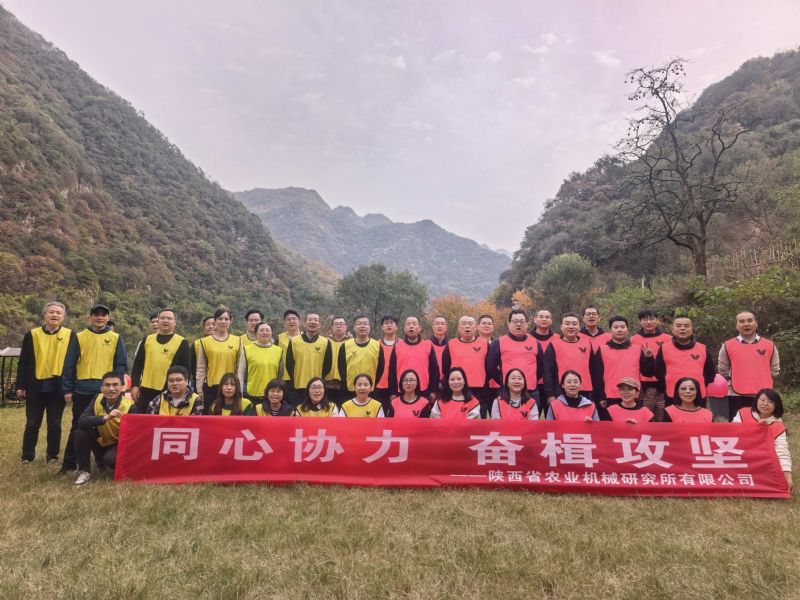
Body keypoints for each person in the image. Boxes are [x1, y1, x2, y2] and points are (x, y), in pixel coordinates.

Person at [60, 303, 127, 474]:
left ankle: (101, 460)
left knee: (105, 426)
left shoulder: (115, 337)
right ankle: (69, 464)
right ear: (90, 317)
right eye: (96, 314)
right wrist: (67, 389)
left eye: (103, 315)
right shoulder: (79, 336)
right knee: (78, 426)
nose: (100, 317)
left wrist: (118, 387)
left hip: (107, 390)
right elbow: (69, 364)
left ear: (108, 318)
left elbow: (120, 365)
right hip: (82, 389)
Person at [17, 301, 75, 464]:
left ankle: (52, 456)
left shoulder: (70, 335)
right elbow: (23, 362)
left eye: (58, 313)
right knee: (32, 423)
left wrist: (70, 388)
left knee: (55, 424)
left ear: (63, 317)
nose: (55, 315)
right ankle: (27, 456)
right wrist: (20, 385)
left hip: (58, 388)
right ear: (45, 315)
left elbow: (73, 364)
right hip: (35, 386)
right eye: (51, 312)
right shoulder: (32, 334)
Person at [73, 372, 135, 486]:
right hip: (102, 439)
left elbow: (134, 436)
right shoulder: (97, 398)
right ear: (101, 388)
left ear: (122, 387)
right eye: (107, 385)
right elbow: (82, 421)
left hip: (118, 444)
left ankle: (105, 462)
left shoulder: (130, 406)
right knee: (81, 432)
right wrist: (105, 418)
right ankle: (84, 471)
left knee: (111, 460)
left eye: (115, 385)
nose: (111, 389)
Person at [718, 311, 780, 422]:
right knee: (738, 427)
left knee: (763, 426)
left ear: (756, 323)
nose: (746, 324)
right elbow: (723, 370)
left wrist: (759, 378)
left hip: (764, 396)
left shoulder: (769, 345)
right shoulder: (728, 345)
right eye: (741, 321)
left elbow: (774, 370)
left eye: (749, 320)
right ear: (737, 326)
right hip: (735, 395)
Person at [590, 316, 654, 419]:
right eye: (616, 327)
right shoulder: (602, 350)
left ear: (627, 330)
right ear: (610, 330)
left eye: (622, 327)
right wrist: (600, 396)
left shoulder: (637, 349)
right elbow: (597, 376)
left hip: (633, 396)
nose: (619, 330)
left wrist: (649, 358)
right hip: (610, 396)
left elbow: (648, 373)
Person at [130, 307, 191, 414]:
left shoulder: (182, 342)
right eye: (162, 318)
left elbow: (186, 370)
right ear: (157, 321)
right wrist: (134, 385)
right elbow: (138, 364)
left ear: (175, 322)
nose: (165, 321)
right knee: (144, 419)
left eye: (169, 318)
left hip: (169, 390)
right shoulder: (147, 340)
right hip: (145, 389)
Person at [732, 388, 792, 491]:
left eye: (770, 402)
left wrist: (787, 476)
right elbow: (732, 435)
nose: (765, 404)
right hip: (740, 455)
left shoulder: (778, 426)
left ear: (776, 406)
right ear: (757, 400)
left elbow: (782, 452)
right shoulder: (743, 413)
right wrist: (755, 428)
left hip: (762, 461)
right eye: (763, 400)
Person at [486, 309, 543, 414]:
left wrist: (531, 379)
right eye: (515, 321)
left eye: (521, 321)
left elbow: (540, 368)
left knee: (532, 423)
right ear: (508, 324)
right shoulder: (498, 343)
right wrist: (503, 381)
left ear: (526, 324)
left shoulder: (535, 343)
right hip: (507, 392)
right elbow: (490, 367)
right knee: (506, 423)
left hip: (531, 392)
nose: (518, 324)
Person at [654, 316, 716, 407]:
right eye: (678, 326)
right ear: (673, 329)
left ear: (692, 329)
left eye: (686, 326)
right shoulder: (664, 348)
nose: (682, 328)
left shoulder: (702, 348)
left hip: (698, 397)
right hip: (672, 396)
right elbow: (658, 372)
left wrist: (697, 386)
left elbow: (710, 374)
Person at [196, 308, 243, 414]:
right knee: (210, 418)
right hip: (211, 387)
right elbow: (201, 368)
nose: (223, 321)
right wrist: (199, 390)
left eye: (226, 319)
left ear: (230, 321)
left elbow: (240, 368)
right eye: (220, 319)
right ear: (215, 321)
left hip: (230, 387)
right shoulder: (204, 342)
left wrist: (239, 388)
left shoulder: (237, 341)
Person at [543, 312, 594, 405]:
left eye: (574, 324)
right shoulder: (553, 346)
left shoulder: (587, 343)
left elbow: (594, 370)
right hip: (561, 392)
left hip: (585, 392)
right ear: (561, 327)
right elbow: (547, 372)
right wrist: (550, 394)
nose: (571, 327)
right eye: (567, 324)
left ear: (579, 327)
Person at [630, 307, 671, 422]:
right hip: (643, 388)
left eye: (652, 319)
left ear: (657, 320)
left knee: (663, 419)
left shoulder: (668, 339)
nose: (648, 322)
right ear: (640, 321)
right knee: (645, 419)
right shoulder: (633, 340)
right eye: (644, 319)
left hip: (664, 387)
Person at [285, 312, 333, 408]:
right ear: (304, 323)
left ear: (319, 324)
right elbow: (289, 364)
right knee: (298, 413)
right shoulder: (294, 341)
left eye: (316, 320)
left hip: (317, 388)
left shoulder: (325, 342)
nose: (313, 322)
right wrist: (295, 378)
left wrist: (319, 378)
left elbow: (328, 364)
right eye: (310, 320)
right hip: (298, 386)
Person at [388, 316, 439, 398]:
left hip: (423, 391)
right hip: (402, 391)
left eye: (414, 324)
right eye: (408, 324)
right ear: (404, 329)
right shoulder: (397, 346)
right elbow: (391, 371)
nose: (411, 326)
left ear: (419, 328)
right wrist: (392, 392)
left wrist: (433, 391)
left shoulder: (428, 345)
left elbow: (435, 370)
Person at [441, 315, 488, 402]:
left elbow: (490, 366)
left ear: (475, 327)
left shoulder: (484, 344)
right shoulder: (451, 344)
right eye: (464, 323)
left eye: (470, 324)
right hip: (457, 388)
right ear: (459, 328)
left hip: (479, 388)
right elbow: (445, 367)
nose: (467, 326)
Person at [339, 315, 384, 404]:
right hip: (350, 390)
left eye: (365, 324)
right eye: (359, 324)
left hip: (370, 390)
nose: (362, 326)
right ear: (354, 328)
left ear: (369, 327)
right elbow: (341, 368)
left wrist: (372, 384)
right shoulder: (345, 345)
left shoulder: (377, 345)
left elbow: (380, 368)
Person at [237, 321, 284, 404]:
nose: (264, 333)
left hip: (272, 395)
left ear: (271, 333)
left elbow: (280, 374)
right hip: (252, 394)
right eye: (261, 330)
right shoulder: (247, 349)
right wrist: (239, 393)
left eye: (267, 330)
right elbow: (241, 373)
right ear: (256, 333)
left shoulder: (279, 351)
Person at [277, 309, 302, 403]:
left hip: (301, 378)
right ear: (284, 323)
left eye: (294, 319)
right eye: (288, 319)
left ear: (299, 322)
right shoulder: (279, 338)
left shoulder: (306, 338)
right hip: (284, 379)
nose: (291, 321)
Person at [374, 315, 399, 407]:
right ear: (382, 327)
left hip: (398, 387)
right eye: (386, 323)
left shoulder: (402, 344)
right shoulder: (375, 345)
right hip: (379, 387)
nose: (389, 325)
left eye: (391, 323)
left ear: (396, 327)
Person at [325, 316, 349, 406]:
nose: (339, 326)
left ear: (346, 327)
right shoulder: (325, 342)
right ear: (331, 327)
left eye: (341, 324)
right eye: (336, 324)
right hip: (327, 383)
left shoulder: (352, 342)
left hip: (345, 384)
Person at [431, 315, 449, 382]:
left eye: (442, 324)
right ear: (433, 327)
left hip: (448, 381)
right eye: (437, 324)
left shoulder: (451, 345)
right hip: (431, 381)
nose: (440, 326)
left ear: (446, 327)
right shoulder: (426, 344)